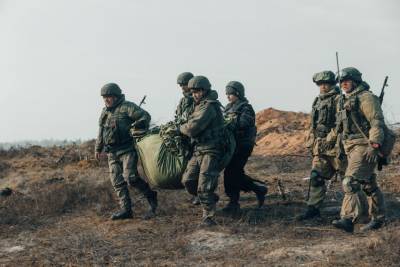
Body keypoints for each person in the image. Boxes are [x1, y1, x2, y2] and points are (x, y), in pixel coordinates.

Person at [332, 67, 386, 233]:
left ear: (355, 81)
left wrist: (375, 143)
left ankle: (349, 219)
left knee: (350, 181)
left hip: (364, 145)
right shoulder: (343, 100)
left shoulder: (366, 98)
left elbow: (376, 121)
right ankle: (378, 219)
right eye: (341, 82)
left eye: (347, 81)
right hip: (350, 146)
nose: (343, 84)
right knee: (368, 184)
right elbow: (340, 127)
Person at [95, 83, 158, 220]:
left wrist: (136, 125)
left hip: (127, 149)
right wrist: (98, 148)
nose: (106, 100)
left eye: (109, 97)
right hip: (112, 152)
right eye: (104, 97)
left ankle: (151, 196)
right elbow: (101, 131)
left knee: (131, 177)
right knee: (117, 181)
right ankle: (126, 210)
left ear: (116, 96)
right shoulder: (105, 112)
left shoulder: (127, 107)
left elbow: (144, 116)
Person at [297, 71, 346, 221]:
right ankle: (313, 209)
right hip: (320, 145)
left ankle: (357, 211)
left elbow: (341, 124)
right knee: (316, 177)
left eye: (326, 84)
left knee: (349, 180)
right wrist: (311, 141)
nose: (323, 87)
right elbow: (314, 124)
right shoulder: (317, 100)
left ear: (332, 84)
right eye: (320, 84)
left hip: (337, 146)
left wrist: (332, 139)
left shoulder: (340, 99)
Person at [179, 76, 224, 227]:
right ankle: (211, 198)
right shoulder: (199, 106)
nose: (195, 95)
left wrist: (181, 128)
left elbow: (192, 128)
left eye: (197, 91)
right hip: (199, 149)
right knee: (188, 180)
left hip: (211, 149)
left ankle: (208, 217)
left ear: (205, 90)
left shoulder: (209, 106)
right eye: (193, 92)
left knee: (204, 186)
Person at [222, 81, 267, 213]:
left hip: (242, 146)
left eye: (230, 94)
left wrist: (229, 122)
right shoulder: (227, 108)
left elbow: (243, 123)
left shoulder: (246, 108)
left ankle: (234, 202)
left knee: (231, 173)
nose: (228, 97)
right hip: (231, 146)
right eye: (227, 94)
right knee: (234, 173)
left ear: (238, 93)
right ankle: (258, 189)